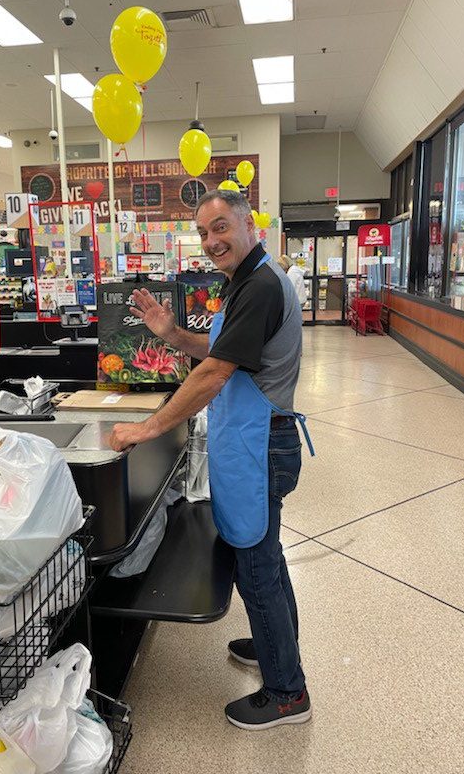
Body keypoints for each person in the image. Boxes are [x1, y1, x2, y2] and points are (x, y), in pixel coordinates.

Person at [110, 190, 313, 731]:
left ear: (249, 225)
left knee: (255, 563)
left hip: (259, 446)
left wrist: (149, 427)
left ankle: (288, 693)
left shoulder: (262, 286)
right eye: (203, 233)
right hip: (254, 442)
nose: (211, 241)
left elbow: (215, 374)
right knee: (264, 553)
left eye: (220, 227)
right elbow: (223, 352)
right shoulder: (246, 281)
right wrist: (172, 334)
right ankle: (277, 645)